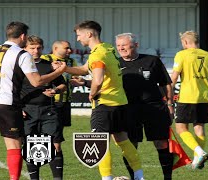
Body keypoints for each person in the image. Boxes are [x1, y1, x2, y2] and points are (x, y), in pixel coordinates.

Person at [0, 21, 66, 180]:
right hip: (7, 104)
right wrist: (60, 71)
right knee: (14, 146)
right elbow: (36, 82)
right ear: (23, 36)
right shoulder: (22, 55)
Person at [55, 20, 144, 180]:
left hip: (105, 104)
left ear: (89, 34)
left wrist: (92, 94)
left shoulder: (97, 53)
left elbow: (97, 80)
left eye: (79, 35)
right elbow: (83, 69)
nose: (78, 39)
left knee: (100, 143)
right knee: (123, 140)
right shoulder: (107, 48)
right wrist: (64, 68)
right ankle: (139, 176)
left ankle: (107, 178)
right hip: (119, 102)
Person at [116, 33, 174, 180]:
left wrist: (170, 104)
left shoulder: (152, 61)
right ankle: (134, 177)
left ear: (135, 45)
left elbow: (165, 83)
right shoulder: (114, 63)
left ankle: (168, 177)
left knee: (161, 143)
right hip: (127, 109)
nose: (121, 48)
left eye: (124, 45)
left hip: (153, 108)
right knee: (130, 146)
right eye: (118, 45)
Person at [171, 30, 208, 169]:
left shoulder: (182, 55)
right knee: (199, 127)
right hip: (204, 96)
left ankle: (199, 152)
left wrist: (168, 95)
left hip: (187, 96)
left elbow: (174, 77)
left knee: (181, 128)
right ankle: (197, 160)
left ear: (186, 42)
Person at [21, 35, 66, 180]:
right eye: (32, 48)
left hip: (49, 110)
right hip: (27, 111)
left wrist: (56, 91)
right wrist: (17, 108)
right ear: (24, 49)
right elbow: (11, 90)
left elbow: (63, 84)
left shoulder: (49, 65)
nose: (35, 51)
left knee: (55, 146)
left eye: (38, 48)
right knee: (31, 147)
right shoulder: (18, 66)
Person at [41, 40, 77, 127]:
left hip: (66, 100)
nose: (69, 50)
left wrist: (76, 80)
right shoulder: (45, 59)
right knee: (50, 128)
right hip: (49, 100)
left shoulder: (72, 61)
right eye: (66, 48)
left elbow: (75, 75)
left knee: (60, 130)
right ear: (56, 48)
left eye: (70, 48)